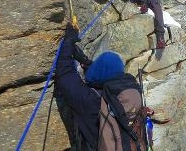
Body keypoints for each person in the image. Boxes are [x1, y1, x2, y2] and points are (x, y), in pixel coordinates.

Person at [55, 23, 147, 151]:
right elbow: (107, 73)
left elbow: (64, 74)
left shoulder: (89, 99)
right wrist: (86, 61)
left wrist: (68, 41)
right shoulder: (129, 90)